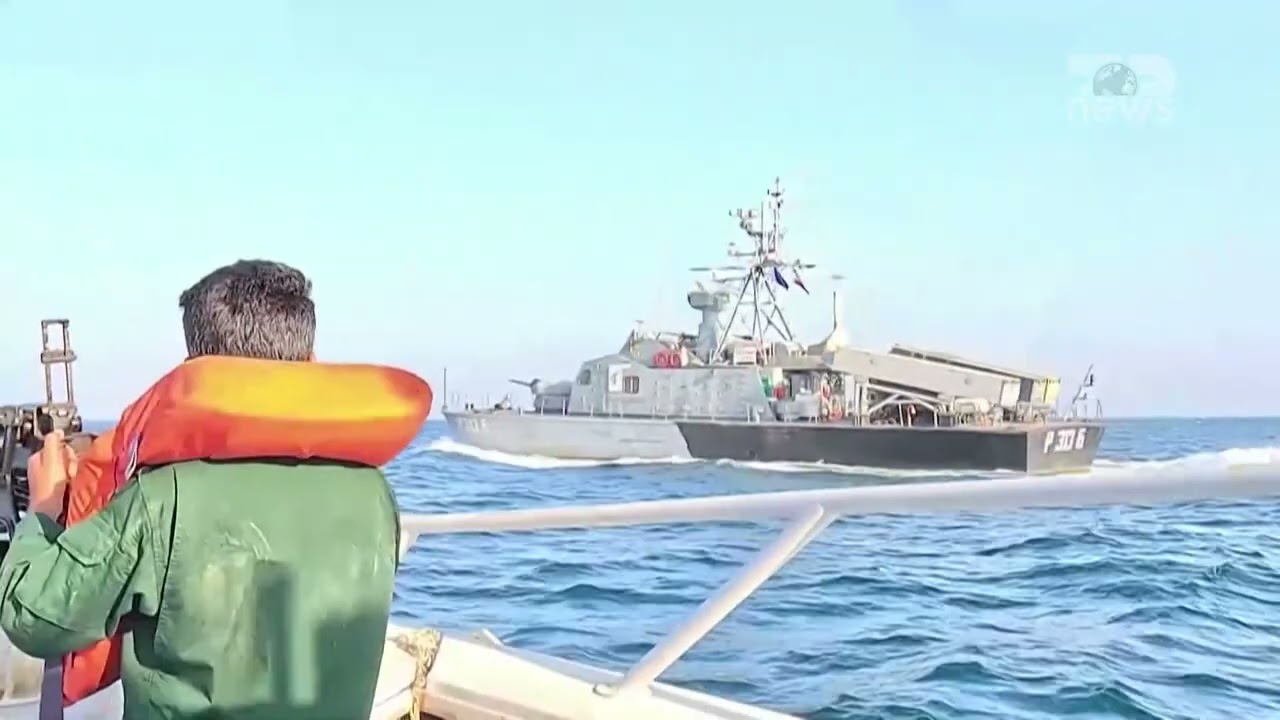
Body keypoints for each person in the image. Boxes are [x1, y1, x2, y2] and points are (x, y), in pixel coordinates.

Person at [0, 260, 433, 719]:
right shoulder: (375, 494)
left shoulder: (164, 499)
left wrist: (45, 506)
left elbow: (33, 615)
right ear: (310, 359)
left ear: (197, 369)